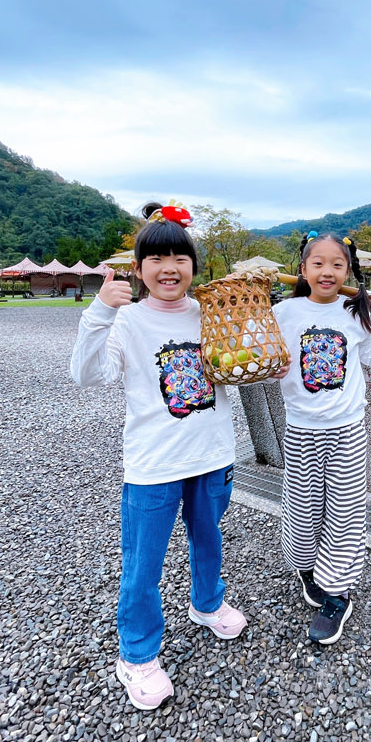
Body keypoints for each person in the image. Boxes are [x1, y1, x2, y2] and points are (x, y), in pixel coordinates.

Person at [70, 202, 246, 711]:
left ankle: (207, 604)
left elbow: (243, 364)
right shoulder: (126, 320)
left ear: (194, 266)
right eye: (157, 259)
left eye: (180, 258)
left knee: (209, 539)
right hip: (153, 464)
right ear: (138, 268)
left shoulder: (211, 313)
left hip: (212, 454)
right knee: (143, 563)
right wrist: (99, 311)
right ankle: (137, 655)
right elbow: (86, 375)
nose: (169, 268)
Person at [273, 232, 371, 646]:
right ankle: (307, 568)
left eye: (337, 264)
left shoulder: (354, 311)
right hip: (300, 430)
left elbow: (368, 356)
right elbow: (268, 361)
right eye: (318, 263)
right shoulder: (282, 312)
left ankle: (337, 593)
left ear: (348, 270)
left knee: (345, 513)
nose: (327, 271)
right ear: (303, 269)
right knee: (303, 509)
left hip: (347, 430)